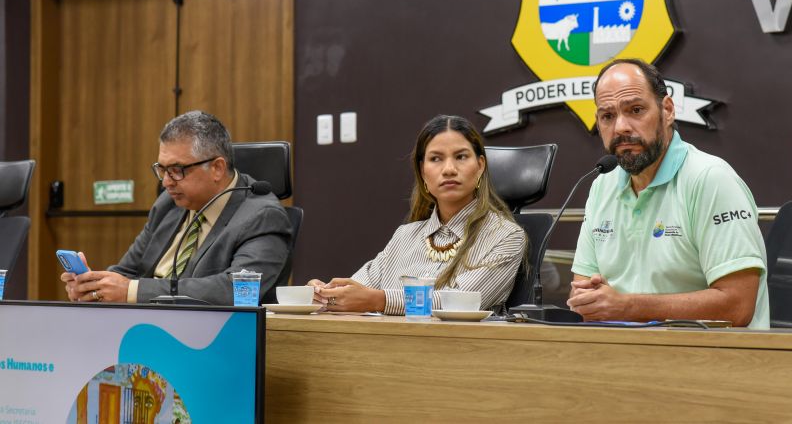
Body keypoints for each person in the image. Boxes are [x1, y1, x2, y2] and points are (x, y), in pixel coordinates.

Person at [568, 58, 769, 328]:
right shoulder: (602, 185)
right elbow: (580, 295)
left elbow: (738, 305)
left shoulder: (710, 179)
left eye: (636, 110)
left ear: (668, 110)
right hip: (626, 358)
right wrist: (590, 302)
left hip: (713, 361)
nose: (621, 127)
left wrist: (627, 307)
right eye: (608, 116)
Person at [60, 111, 292, 305]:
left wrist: (131, 291)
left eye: (177, 170)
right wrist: (93, 287)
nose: (166, 181)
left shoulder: (262, 216)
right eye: (162, 169)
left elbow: (236, 291)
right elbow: (129, 271)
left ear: (217, 168)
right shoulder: (169, 204)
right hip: (146, 330)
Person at [307, 115, 526, 315]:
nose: (449, 169)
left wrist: (379, 301)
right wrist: (325, 293)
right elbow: (357, 290)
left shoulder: (507, 236)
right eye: (436, 159)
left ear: (480, 166)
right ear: (423, 173)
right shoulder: (405, 235)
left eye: (460, 156)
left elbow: (461, 302)